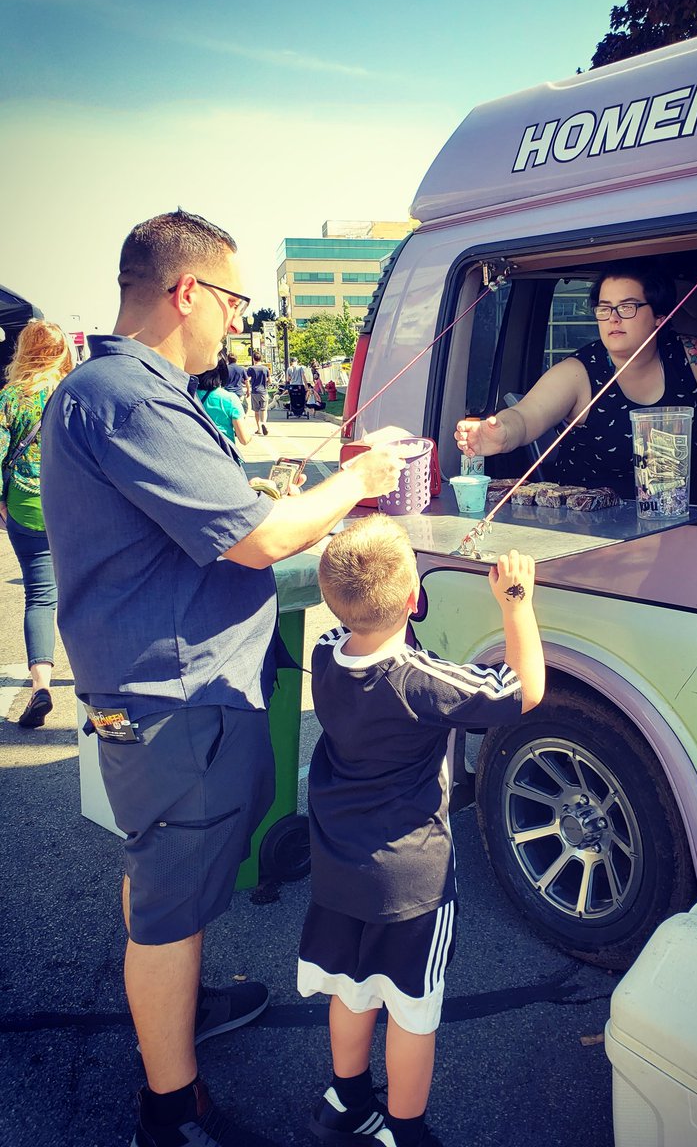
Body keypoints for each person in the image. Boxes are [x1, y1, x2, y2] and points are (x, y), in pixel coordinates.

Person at [40, 208, 405, 1147]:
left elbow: (205, 518)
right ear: (186, 290)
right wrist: (356, 481)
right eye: (234, 300)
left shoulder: (116, 389)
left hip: (164, 690)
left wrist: (266, 496)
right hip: (175, 697)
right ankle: (171, 1109)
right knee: (169, 895)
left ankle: (178, 1010)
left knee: (166, 872)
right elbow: (260, 540)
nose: (239, 320)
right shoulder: (131, 396)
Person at [298, 516, 544, 1147]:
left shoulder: (325, 652)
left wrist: (390, 591)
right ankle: (405, 1133)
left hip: (338, 866)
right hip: (411, 883)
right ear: (414, 597)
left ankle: (345, 1101)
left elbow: (361, 616)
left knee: (352, 989)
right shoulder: (422, 681)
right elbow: (523, 690)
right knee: (412, 1008)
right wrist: (516, 601)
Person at [456, 262, 697, 505]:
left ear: (659, 316)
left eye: (627, 307)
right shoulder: (578, 372)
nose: (613, 318)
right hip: (595, 529)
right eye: (604, 309)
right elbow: (527, 415)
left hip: (694, 517)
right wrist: (503, 433)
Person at [0, 320, 73, 728]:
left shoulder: (10, 397)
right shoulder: (72, 393)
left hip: (26, 506)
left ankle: (41, 687)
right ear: (62, 353)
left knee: (41, 596)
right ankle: (95, 677)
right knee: (85, 588)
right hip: (73, 506)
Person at [197, 353, 252, 445]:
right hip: (222, 450)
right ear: (223, 373)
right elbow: (244, 439)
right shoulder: (230, 399)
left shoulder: (189, 395)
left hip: (196, 449)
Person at [247, 349, 271, 435]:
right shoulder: (265, 369)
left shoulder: (251, 368)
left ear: (254, 359)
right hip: (263, 392)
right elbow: (270, 381)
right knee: (264, 409)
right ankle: (264, 423)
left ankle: (259, 429)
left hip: (254, 392)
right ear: (261, 359)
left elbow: (247, 379)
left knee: (256, 411)